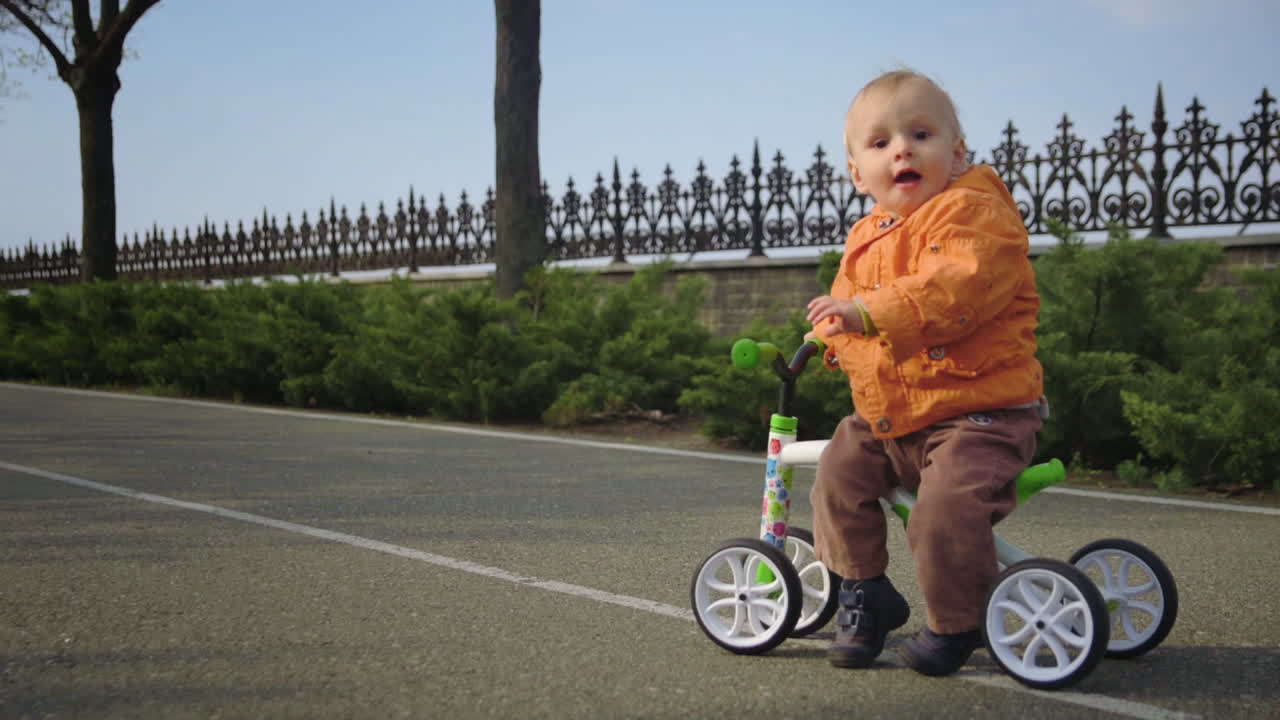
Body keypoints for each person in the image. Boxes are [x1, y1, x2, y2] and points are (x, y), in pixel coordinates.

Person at [804, 69, 1045, 676]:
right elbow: (851, 313)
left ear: (957, 154)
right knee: (838, 469)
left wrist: (864, 313)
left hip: (978, 413)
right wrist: (829, 336)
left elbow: (953, 290)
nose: (902, 150)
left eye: (920, 134)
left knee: (944, 509)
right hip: (896, 416)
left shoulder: (974, 214)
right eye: (880, 143)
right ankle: (866, 591)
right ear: (859, 174)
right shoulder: (865, 237)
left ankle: (959, 620)